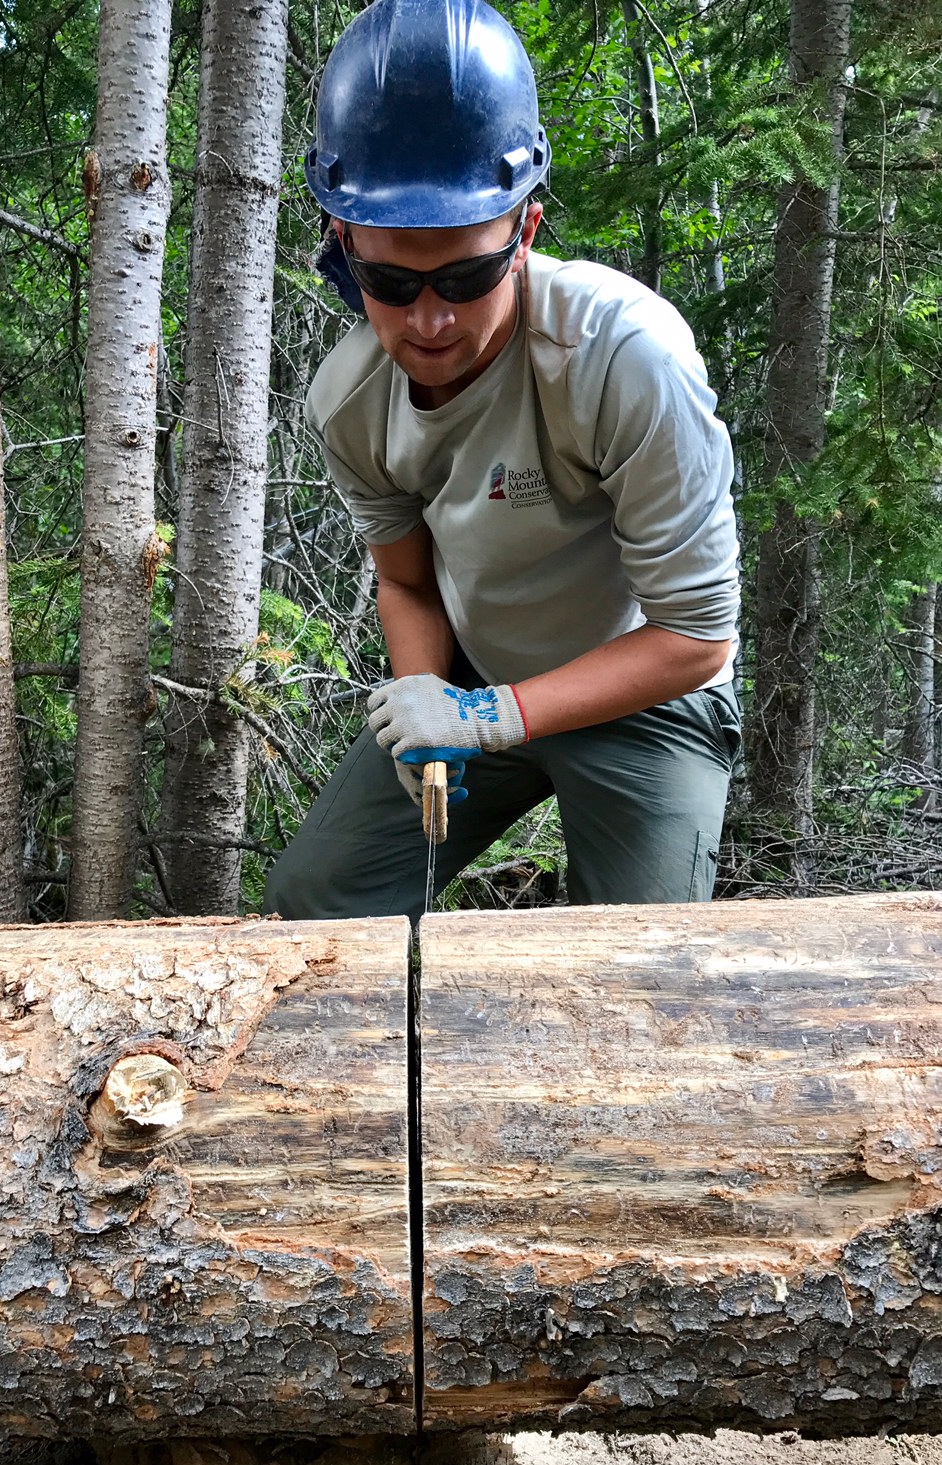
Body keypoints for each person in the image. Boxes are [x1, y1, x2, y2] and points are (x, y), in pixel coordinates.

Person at [263, 0, 740, 923]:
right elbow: (405, 582)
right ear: (342, 242)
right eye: (391, 285)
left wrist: (492, 719)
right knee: (321, 899)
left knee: (634, 962)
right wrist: (429, 704)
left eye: (467, 278)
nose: (429, 321)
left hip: (647, 688)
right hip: (480, 680)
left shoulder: (622, 357)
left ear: (523, 233)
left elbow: (697, 636)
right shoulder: (351, 400)